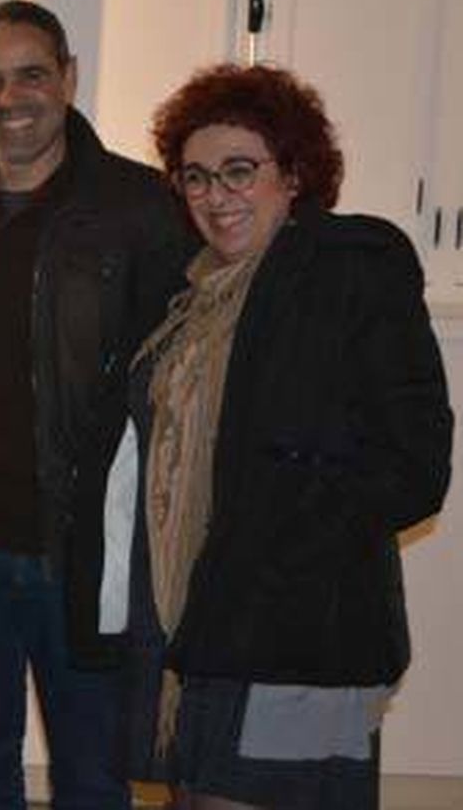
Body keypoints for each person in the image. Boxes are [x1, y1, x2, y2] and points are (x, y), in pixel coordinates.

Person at [97, 64, 452, 809]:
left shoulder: (349, 267)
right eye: (195, 177)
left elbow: (414, 463)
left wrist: (282, 540)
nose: (215, 196)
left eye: (239, 170)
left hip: (297, 631)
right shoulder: (188, 299)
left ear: (294, 172)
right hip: (198, 627)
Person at [0, 0, 187, 809]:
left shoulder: (141, 210)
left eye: (31, 73)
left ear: (68, 77)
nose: (10, 96)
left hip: (86, 552)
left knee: (93, 779)